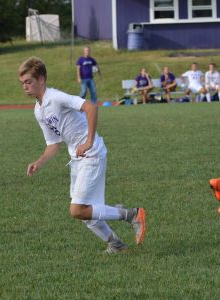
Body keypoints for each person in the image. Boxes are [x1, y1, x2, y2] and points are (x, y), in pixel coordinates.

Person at [18, 57, 145, 254]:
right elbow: (53, 144)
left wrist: (88, 141)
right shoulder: (38, 110)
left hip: (92, 153)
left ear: (41, 79)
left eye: (28, 82)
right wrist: (39, 162)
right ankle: (116, 244)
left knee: (77, 209)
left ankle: (132, 215)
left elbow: (90, 107)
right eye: (22, 83)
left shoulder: (56, 97)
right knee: (85, 213)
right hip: (76, 158)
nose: (25, 87)